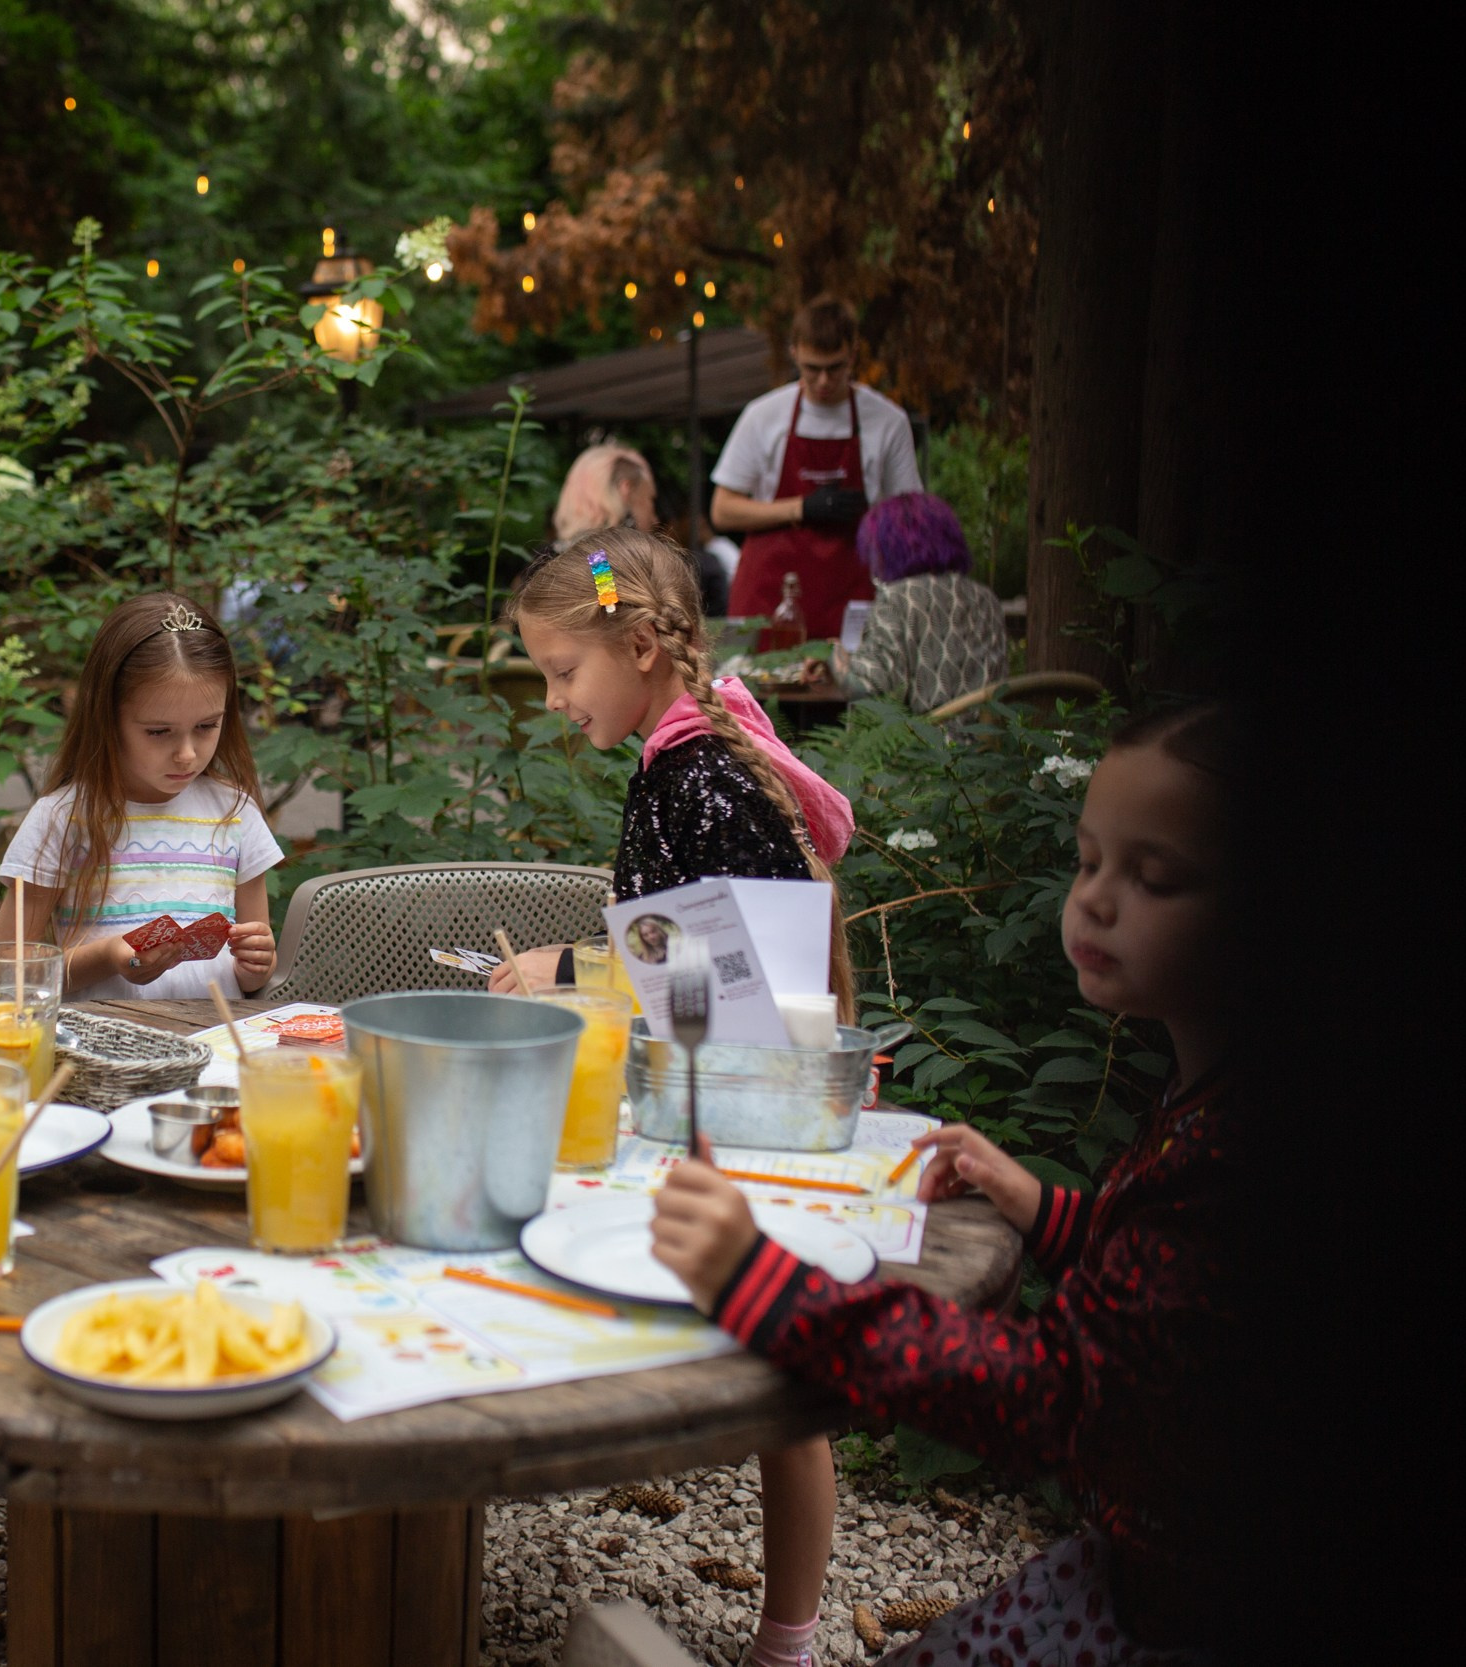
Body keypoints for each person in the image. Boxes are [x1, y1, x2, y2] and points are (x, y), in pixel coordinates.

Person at [651, 706, 1236, 1663]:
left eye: (1154, 876)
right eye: (1088, 861)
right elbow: (1176, 1301)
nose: (1092, 899)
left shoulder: (1234, 1156)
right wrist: (1049, 1210)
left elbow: (1059, 1396)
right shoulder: (1213, 1102)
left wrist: (766, 1283)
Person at [487, 526, 855, 1667]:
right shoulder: (694, 753)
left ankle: (788, 1641)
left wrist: (566, 969)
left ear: (641, 645)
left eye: (563, 672)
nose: (554, 701)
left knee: (783, 1383)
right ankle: (785, 1633)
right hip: (736, 1090)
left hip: (748, 1106)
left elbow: (722, 984)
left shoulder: (694, 776)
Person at [0, 592, 281, 999]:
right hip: (102, 1051)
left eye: (206, 726)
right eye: (158, 732)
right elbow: (8, 973)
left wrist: (255, 964)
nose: (187, 753)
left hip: (216, 1045)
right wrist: (107, 957)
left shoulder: (236, 812)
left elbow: (249, 977)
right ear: (106, 717)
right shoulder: (62, 818)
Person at [711, 294, 923, 638]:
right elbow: (722, 510)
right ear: (794, 353)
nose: (823, 381)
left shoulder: (887, 421)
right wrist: (803, 508)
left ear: (853, 355)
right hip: (770, 593)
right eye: (812, 369)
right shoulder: (763, 416)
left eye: (835, 368)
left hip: (849, 591)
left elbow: (909, 516)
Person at [829, 491, 1006, 709]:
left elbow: (868, 687)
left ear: (890, 547)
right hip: (987, 738)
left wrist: (834, 656)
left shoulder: (898, 598)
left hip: (928, 739)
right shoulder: (986, 598)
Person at [552, 442, 729, 616]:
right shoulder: (599, 558)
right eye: (650, 499)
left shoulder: (552, 558)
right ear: (626, 490)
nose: (655, 518)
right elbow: (611, 616)